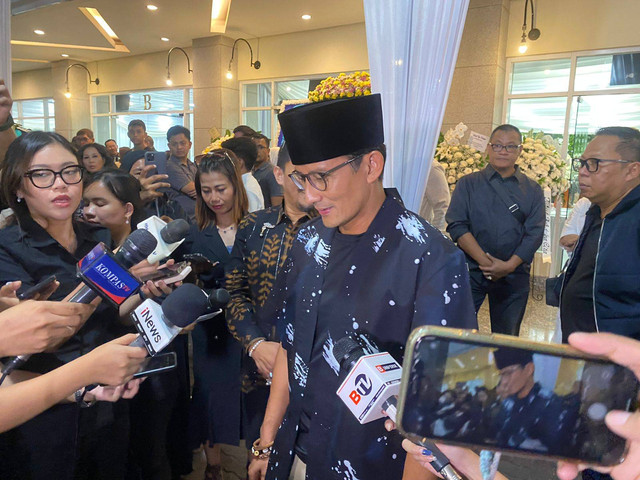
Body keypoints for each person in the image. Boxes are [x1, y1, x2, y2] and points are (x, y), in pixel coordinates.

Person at [248, 94, 476, 480]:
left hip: (373, 463)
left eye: (321, 177)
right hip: (295, 454)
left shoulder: (431, 260)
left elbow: (438, 409)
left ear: (371, 165)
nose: (309, 195)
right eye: (300, 178)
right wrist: (266, 439)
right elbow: (291, 346)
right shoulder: (308, 241)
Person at [0, 131, 142, 480]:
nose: (60, 185)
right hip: (40, 410)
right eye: (42, 175)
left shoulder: (99, 238)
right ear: (18, 187)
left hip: (109, 398)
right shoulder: (6, 248)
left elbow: (118, 308)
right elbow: (45, 333)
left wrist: (147, 294)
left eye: (69, 171)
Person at [225, 143, 315, 452]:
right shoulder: (253, 227)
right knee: (260, 451)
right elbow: (234, 292)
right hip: (258, 369)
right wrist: (255, 345)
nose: (309, 186)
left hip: (314, 375)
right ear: (279, 174)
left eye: (320, 176)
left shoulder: (336, 231)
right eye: (299, 176)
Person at [185, 149, 249, 480]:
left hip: (251, 328)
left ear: (236, 186)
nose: (214, 198)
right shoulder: (196, 233)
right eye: (206, 190)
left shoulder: (256, 228)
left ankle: (257, 455)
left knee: (252, 393)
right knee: (209, 395)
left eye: (220, 189)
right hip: (211, 329)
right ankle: (213, 462)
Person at [446, 124, 545, 336]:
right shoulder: (468, 184)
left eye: (510, 146)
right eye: (498, 145)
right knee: (459, 334)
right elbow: (457, 224)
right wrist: (485, 262)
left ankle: (504, 369)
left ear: (519, 151)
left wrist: (508, 266)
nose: (503, 151)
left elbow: (535, 233)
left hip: (514, 274)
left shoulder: (533, 190)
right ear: (488, 148)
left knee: (506, 340)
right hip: (471, 271)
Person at [560, 127, 640, 342]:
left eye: (595, 163)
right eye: (582, 163)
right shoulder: (596, 211)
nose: (583, 171)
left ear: (632, 170)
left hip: (621, 360)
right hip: (583, 351)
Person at [490, 347, 577, 454]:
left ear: (529, 369)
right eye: (502, 375)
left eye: (508, 373)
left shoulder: (550, 404)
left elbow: (555, 448)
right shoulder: (508, 403)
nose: (503, 382)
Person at [82, 169, 146, 246]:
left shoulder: (145, 254)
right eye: (86, 204)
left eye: (100, 204)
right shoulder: (82, 247)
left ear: (127, 210)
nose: (88, 211)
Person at [221, 136, 265, 212]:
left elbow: (250, 221)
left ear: (239, 162)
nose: (222, 164)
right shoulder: (241, 184)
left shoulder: (248, 189)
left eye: (225, 160)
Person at [166, 125, 197, 221]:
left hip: (199, 215)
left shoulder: (192, 165)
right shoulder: (169, 166)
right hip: (184, 219)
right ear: (169, 146)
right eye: (174, 144)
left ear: (190, 144)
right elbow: (192, 190)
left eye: (182, 143)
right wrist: (204, 188)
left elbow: (201, 189)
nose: (179, 147)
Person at [251, 133, 283, 207]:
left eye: (261, 147)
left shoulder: (272, 173)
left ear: (268, 151)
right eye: (254, 147)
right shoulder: (250, 171)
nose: (257, 151)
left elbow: (277, 207)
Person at [419, 159, 450, 231]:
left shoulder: (430, 167)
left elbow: (443, 207)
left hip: (421, 235)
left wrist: (435, 236)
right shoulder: (392, 164)